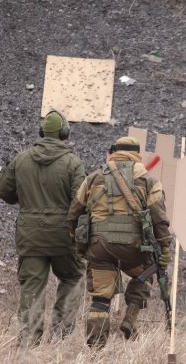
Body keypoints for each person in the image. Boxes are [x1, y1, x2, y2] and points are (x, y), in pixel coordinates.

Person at [68, 136, 172, 349]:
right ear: (137, 155)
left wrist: (79, 245)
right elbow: (160, 220)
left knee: (100, 299)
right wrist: (164, 250)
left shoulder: (93, 178)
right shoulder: (149, 181)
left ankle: (95, 349)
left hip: (100, 248)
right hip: (133, 250)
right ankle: (129, 319)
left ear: (114, 152)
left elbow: (73, 214)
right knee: (147, 274)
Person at [0, 110, 86, 348]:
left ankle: (29, 339)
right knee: (72, 277)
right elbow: (81, 200)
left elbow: (3, 191)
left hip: (30, 235)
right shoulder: (73, 163)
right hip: (64, 237)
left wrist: (26, 201)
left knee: (32, 286)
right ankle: (60, 336)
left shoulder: (21, 159)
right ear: (64, 134)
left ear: (42, 132)